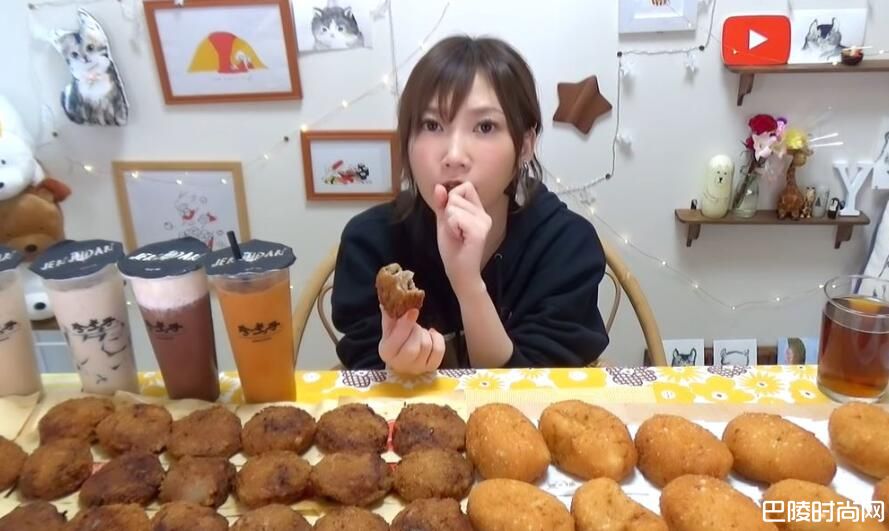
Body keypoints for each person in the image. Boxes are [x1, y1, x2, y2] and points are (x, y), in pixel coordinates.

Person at [331, 35, 609, 373]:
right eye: (432, 125)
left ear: (525, 145)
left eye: (485, 126)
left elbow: (535, 387)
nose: (454, 156)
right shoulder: (370, 242)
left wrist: (468, 284)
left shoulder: (566, 245)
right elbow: (364, 371)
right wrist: (394, 368)